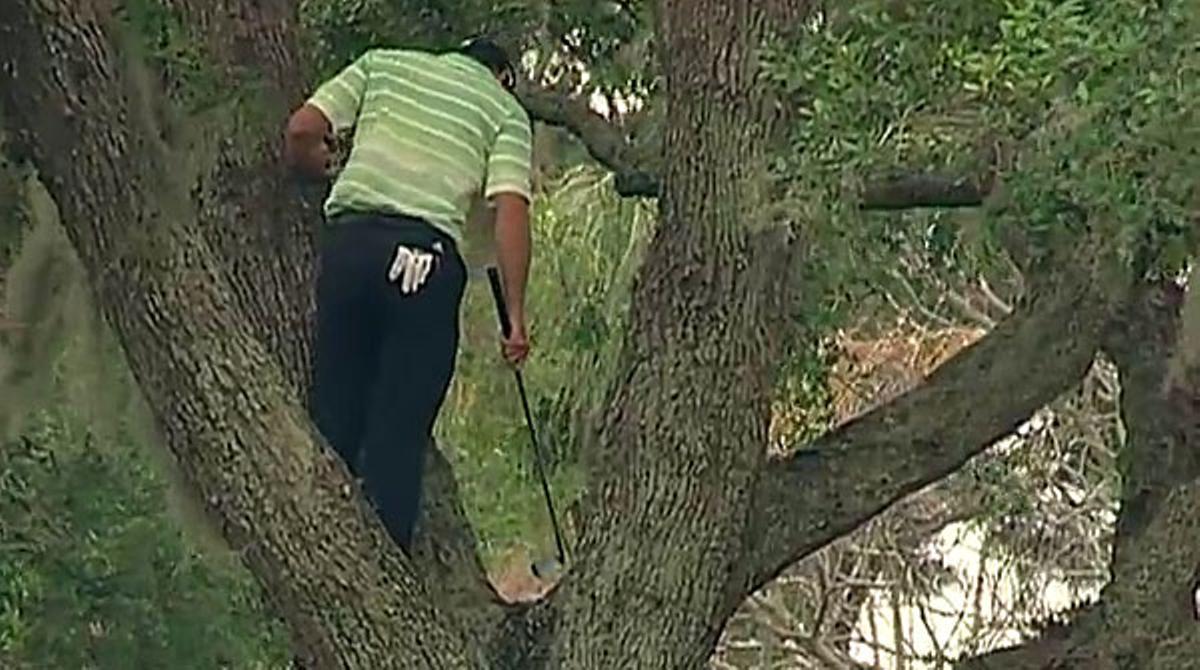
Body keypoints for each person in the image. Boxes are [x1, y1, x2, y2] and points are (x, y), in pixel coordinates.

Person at [283, 37, 534, 551]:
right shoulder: (504, 111)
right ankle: (380, 567)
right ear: (504, 77)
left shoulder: (382, 64)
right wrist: (515, 315)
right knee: (398, 434)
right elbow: (510, 212)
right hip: (425, 261)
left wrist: (316, 167)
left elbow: (303, 129)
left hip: (351, 247)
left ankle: (315, 547)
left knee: (332, 419)